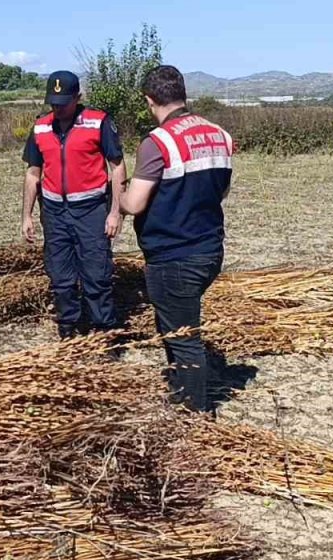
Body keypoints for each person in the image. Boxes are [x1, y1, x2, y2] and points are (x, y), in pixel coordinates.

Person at [119, 65, 233, 412]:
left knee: (184, 338)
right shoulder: (219, 134)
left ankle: (192, 415)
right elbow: (222, 191)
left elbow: (135, 204)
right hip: (210, 250)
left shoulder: (158, 143)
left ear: (149, 100)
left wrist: (117, 194)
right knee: (176, 326)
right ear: (183, 94)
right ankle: (180, 390)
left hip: (174, 256)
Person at [21, 70, 127, 339]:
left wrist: (116, 212)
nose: (58, 108)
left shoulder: (98, 122)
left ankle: (104, 332)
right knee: (60, 277)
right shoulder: (41, 127)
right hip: (55, 213)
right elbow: (33, 173)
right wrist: (27, 216)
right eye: (53, 103)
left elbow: (117, 168)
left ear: (78, 97)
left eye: (64, 102)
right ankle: (68, 329)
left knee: (96, 275)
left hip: (91, 210)